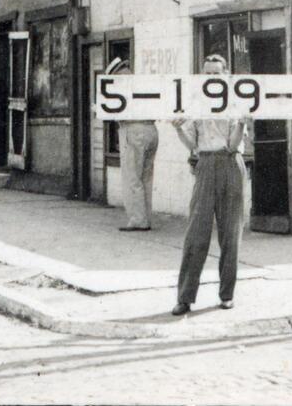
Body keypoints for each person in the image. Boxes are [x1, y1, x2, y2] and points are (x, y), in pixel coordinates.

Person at [171, 54, 249, 315]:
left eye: (217, 73)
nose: (212, 78)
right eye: (207, 74)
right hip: (205, 165)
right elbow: (192, 144)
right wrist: (178, 129)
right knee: (196, 233)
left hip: (230, 164)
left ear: (226, 75)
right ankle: (185, 297)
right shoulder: (196, 104)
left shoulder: (237, 102)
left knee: (231, 234)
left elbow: (234, 143)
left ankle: (227, 295)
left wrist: (241, 124)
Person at [107, 58, 159, 232]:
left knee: (132, 176)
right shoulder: (143, 86)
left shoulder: (121, 89)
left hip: (133, 130)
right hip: (151, 129)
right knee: (146, 177)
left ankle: (137, 219)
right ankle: (146, 218)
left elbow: (116, 112)